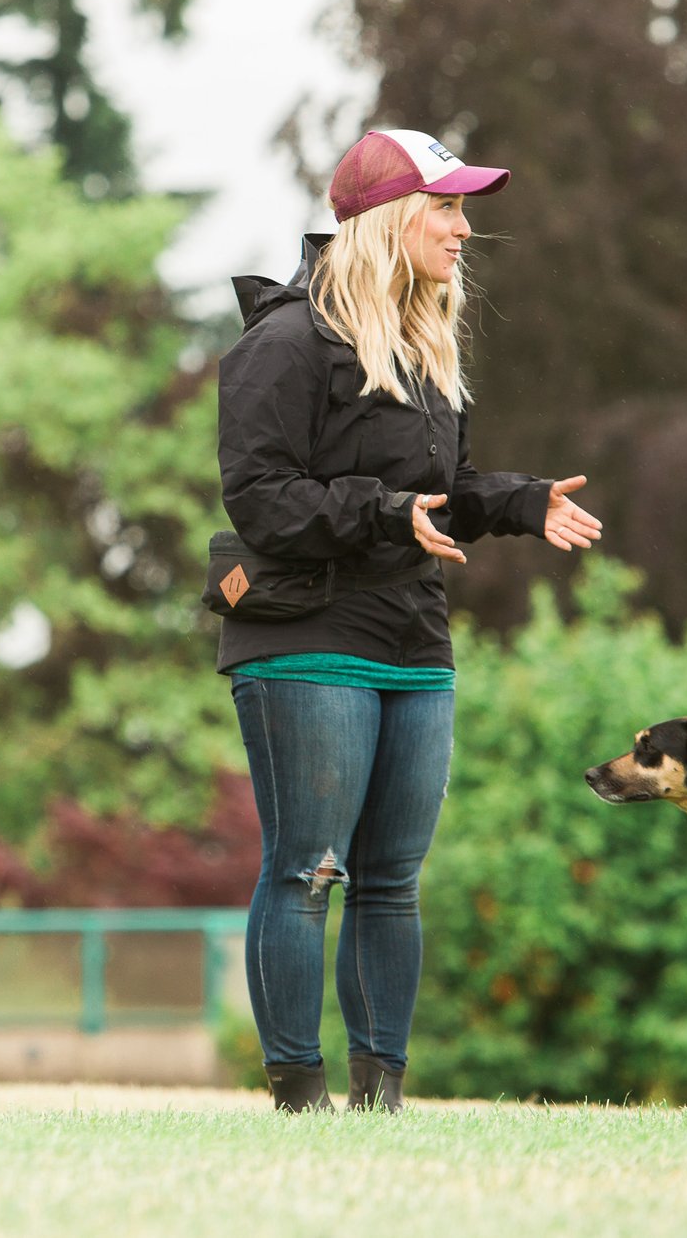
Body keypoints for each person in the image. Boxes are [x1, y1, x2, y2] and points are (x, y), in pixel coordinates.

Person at [212, 128, 602, 1113]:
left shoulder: (427, 348)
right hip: (307, 637)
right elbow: (260, 498)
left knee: (389, 877)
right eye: (446, 207)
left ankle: (381, 1096)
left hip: (413, 643)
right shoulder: (284, 341)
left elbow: (437, 493)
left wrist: (517, 500)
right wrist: (387, 513)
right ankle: (298, 1098)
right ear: (389, 219)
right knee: (309, 868)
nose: (465, 229)